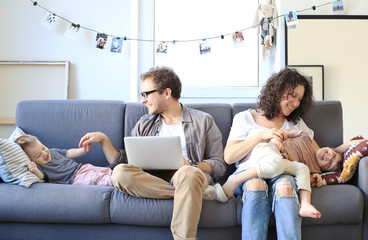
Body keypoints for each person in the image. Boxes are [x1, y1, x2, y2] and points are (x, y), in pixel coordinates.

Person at [78, 66, 227, 240]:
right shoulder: (144, 123)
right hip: (150, 178)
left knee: (188, 174)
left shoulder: (203, 121)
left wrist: (192, 165)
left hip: (187, 174)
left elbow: (220, 165)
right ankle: (193, 192)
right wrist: (104, 140)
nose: (143, 100)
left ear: (167, 93)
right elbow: (124, 162)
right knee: (120, 174)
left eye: (146, 94)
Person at [224, 67, 315, 240]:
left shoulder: (295, 123)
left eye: (300, 99)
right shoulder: (245, 118)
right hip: (249, 173)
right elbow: (229, 157)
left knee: (285, 186)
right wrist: (260, 136)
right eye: (292, 95)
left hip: (283, 171)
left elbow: (316, 151)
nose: (296, 103)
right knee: (255, 185)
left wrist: (347, 147)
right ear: (278, 90)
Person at [15, 134, 125, 185]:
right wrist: (34, 171)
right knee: (97, 178)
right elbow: (41, 177)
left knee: (107, 171)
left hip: (82, 167)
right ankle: (121, 182)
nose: (44, 153)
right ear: (32, 160)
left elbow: (69, 153)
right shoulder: (40, 167)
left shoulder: (52, 151)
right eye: (38, 155)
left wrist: (83, 150)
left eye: (43, 148)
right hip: (74, 179)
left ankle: (124, 176)